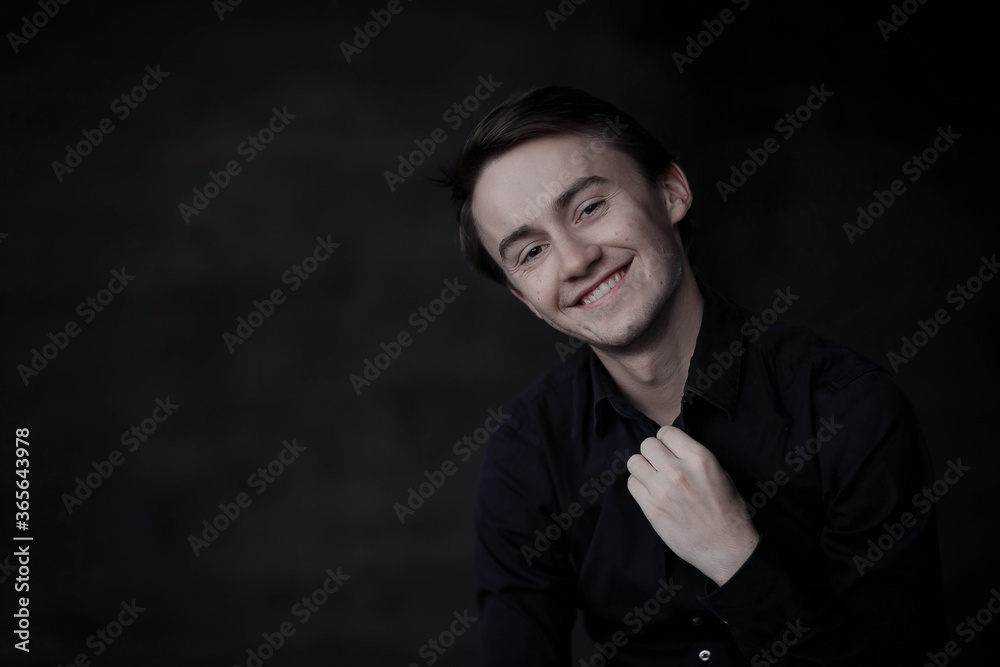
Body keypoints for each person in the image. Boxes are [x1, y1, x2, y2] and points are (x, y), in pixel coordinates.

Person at [441, 85, 945, 665]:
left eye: (589, 208)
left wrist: (735, 557)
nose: (576, 261)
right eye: (531, 252)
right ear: (526, 299)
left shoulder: (850, 408)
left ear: (671, 192)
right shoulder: (527, 450)